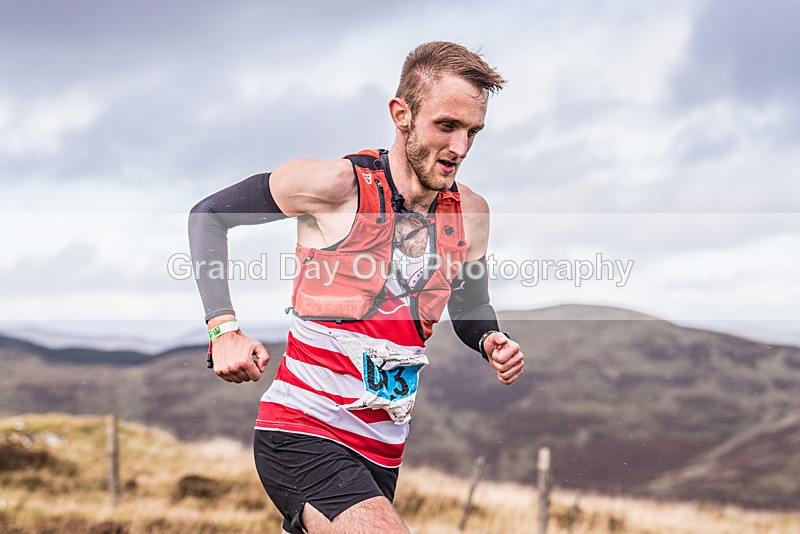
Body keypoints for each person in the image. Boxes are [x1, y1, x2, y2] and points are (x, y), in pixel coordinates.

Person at [188, 41, 525, 534]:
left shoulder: (471, 214)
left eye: (473, 131)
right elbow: (209, 216)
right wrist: (223, 330)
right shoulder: (334, 187)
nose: (461, 148)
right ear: (402, 114)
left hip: (382, 452)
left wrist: (489, 339)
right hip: (302, 431)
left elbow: (470, 303)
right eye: (446, 126)